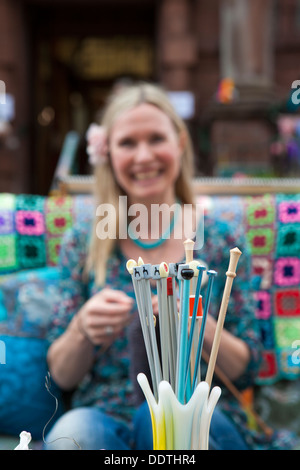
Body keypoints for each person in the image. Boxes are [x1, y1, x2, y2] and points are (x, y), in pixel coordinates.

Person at [44, 82, 291, 450]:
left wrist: (197, 322)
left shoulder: (220, 239)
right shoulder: (84, 243)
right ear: (107, 152)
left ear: (179, 144)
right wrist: (82, 329)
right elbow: (59, 376)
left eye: (156, 139)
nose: (143, 156)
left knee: (163, 422)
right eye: (128, 143)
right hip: (104, 413)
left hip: (203, 411)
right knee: (74, 435)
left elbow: (246, 369)